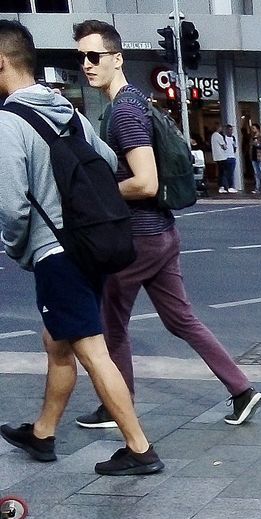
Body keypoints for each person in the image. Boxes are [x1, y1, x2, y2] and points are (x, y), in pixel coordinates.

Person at [72, 20, 261, 429]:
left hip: (138, 239)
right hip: (161, 234)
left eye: (94, 56)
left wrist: (96, 192)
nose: (87, 65)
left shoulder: (123, 112)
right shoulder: (136, 101)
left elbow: (145, 182)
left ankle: (115, 406)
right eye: (81, 57)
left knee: (111, 326)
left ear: (116, 58)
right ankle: (242, 390)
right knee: (181, 320)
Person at [0, 20, 162, 475]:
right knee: (57, 341)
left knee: (91, 350)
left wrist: (18, 249)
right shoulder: (65, 108)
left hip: (56, 251)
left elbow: (12, 207)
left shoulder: (9, 121)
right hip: (89, 245)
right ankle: (43, 434)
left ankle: (139, 448)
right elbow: (108, 163)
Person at [211, 122, 238, 193]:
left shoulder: (233, 138)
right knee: (224, 173)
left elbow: (234, 147)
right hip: (224, 157)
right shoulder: (221, 136)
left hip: (230, 157)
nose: (231, 131)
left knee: (227, 172)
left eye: (231, 130)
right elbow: (224, 146)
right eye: (229, 130)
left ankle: (225, 186)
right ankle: (226, 186)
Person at [249, 124, 261, 196]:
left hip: (259, 156)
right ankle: (257, 188)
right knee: (256, 173)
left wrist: (256, 144)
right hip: (253, 156)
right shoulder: (252, 137)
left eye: (253, 128)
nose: (252, 130)